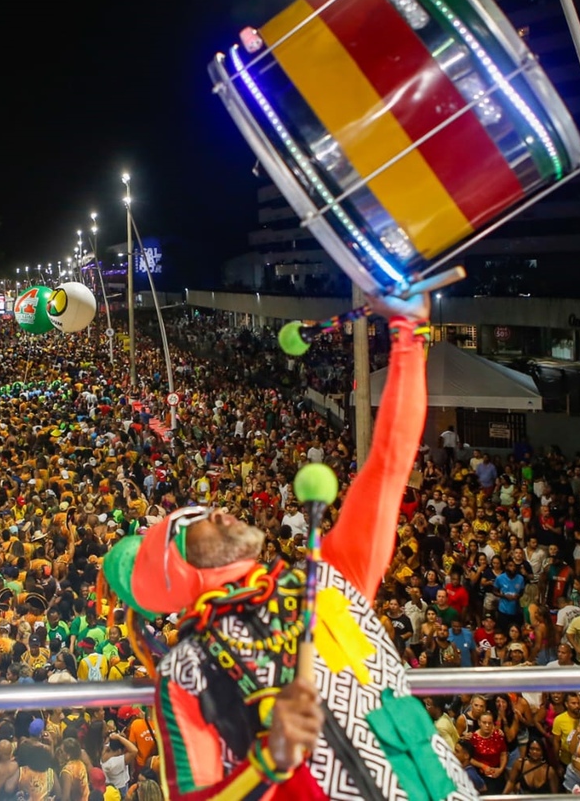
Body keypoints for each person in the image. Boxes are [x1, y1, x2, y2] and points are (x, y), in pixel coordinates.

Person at [111, 293, 476, 799]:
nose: (217, 510)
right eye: (195, 521)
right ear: (181, 567)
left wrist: (410, 339)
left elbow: (389, 464)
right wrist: (269, 759)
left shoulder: (325, 576)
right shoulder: (185, 671)